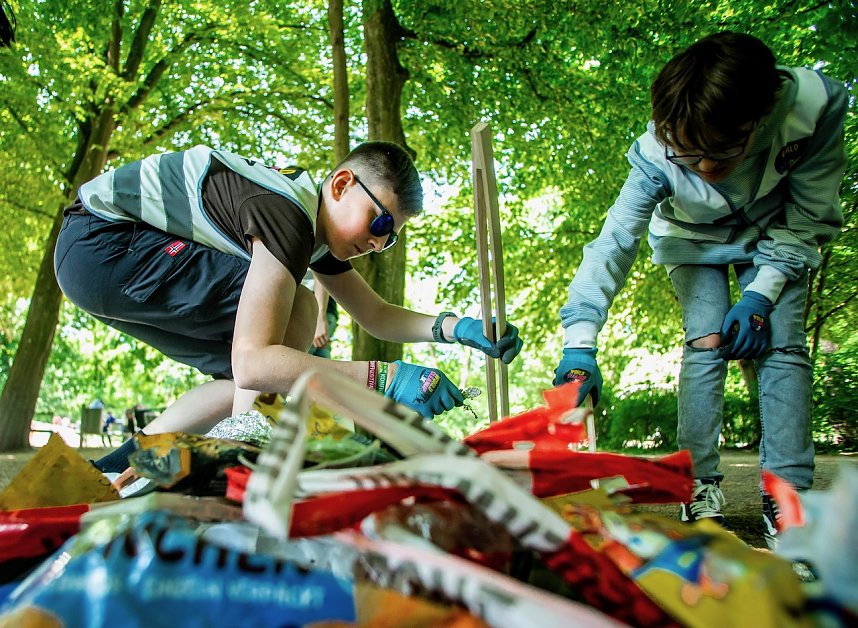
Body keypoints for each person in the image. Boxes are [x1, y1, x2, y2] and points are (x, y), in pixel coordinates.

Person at [55, 141, 523, 473]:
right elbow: (255, 362)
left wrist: (456, 328)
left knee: (241, 384)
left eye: (390, 237)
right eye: (380, 222)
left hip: (96, 260)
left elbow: (376, 315)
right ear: (342, 184)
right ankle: (243, 446)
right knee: (291, 318)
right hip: (104, 241)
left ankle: (114, 470)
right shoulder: (288, 215)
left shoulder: (312, 233)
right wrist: (382, 379)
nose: (378, 243)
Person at [552, 32, 847, 548]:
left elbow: (810, 214)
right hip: (688, 240)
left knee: (783, 343)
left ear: (763, 114)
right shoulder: (654, 157)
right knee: (707, 338)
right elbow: (612, 245)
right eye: (690, 157)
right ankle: (697, 483)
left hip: (777, 234)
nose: (707, 171)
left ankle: (788, 498)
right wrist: (579, 342)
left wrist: (761, 295)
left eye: (723, 153)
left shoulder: (813, 109)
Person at [302, 270, 339, 359]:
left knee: (298, 361)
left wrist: (319, 318)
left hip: (312, 311)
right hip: (319, 312)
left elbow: (321, 269)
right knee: (321, 362)